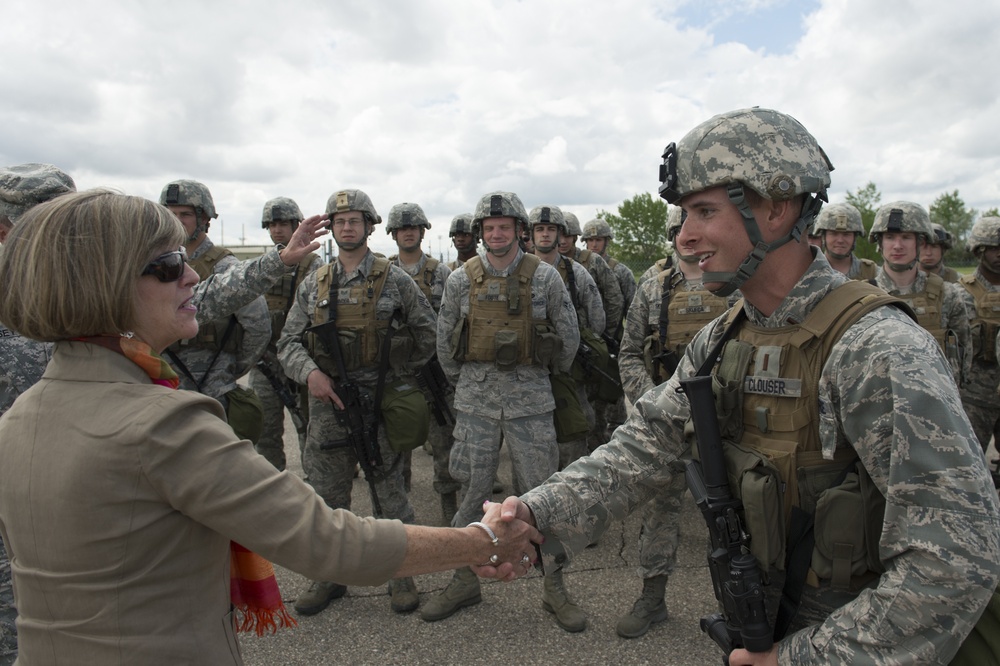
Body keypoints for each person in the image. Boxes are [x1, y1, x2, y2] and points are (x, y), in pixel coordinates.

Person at [482, 107, 1000, 665]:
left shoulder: (876, 348)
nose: (685, 237)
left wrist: (797, 660)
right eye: (684, 215)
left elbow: (954, 561)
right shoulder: (725, 337)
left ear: (777, 208)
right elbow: (647, 445)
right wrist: (534, 514)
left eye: (705, 211)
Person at [0, 189, 541, 666]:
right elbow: (326, 539)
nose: (191, 275)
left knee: (388, 489)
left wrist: (392, 381)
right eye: (167, 265)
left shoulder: (22, 415)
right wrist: (483, 541)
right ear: (104, 287)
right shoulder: (164, 424)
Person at [422, 192, 582, 631]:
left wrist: (533, 377)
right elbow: (445, 344)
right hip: (475, 404)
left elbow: (568, 340)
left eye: (504, 227)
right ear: (480, 233)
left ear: (518, 231)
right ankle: (462, 582)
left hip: (531, 404)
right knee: (472, 495)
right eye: (489, 227)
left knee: (543, 497)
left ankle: (555, 589)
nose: (496, 233)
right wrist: (474, 383)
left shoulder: (546, 277)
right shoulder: (461, 279)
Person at [278, 189, 438, 616]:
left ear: (369, 226)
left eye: (355, 221)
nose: (348, 228)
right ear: (332, 227)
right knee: (328, 498)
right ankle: (328, 576)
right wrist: (310, 373)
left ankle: (402, 574)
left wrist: (397, 379)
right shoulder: (315, 281)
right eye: (340, 221)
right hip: (330, 406)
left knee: (391, 496)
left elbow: (428, 334)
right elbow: (288, 342)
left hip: (379, 404)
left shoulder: (394, 279)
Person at [614, 203, 738, 639]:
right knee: (660, 512)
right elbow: (628, 351)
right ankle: (653, 594)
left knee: (738, 517)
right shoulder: (653, 287)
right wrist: (649, 398)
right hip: (671, 419)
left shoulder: (735, 284)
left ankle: (743, 604)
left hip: (727, 422)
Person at [159, 180, 271, 442]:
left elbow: (258, 326)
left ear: (204, 218)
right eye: (170, 214)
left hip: (212, 386)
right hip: (164, 386)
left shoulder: (226, 267)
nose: (177, 221)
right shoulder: (155, 264)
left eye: (185, 214)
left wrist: (231, 368)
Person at [385, 202, 460, 525]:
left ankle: (449, 503)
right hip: (396, 373)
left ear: (423, 232)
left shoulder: (440, 272)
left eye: (414, 227)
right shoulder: (383, 272)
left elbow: (453, 320)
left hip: (434, 371)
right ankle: (398, 510)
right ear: (393, 234)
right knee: (395, 444)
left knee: (445, 441)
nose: (408, 232)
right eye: (402, 228)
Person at [249, 196, 323, 470]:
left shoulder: (313, 265)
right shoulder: (264, 266)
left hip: (299, 359)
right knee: (264, 431)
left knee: (308, 428)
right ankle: (271, 485)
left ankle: (312, 486)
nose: (277, 230)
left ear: (295, 225)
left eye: (283, 224)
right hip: (265, 361)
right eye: (272, 224)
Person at [529, 204, 605, 470]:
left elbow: (597, 317)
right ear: (530, 234)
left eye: (551, 229)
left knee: (575, 427)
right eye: (540, 229)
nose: (546, 235)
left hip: (568, 366)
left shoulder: (576, 272)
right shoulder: (519, 271)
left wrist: (580, 345)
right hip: (530, 366)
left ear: (561, 233)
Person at [869, 201, 971, 385]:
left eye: (906, 237)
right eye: (890, 237)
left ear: (920, 242)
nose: (898, 245)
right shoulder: (863, 296)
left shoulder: (948, 295)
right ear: (880, 242)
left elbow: (963, 354)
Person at [959, 215, 1000, 452]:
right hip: (976, 397)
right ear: (979, 251)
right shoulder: (962, 293)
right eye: (993, 248)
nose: (999, 254)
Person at [582, 217, 637, 314]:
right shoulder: (579, 269)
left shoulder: (621, 271)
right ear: (586, 242)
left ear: (606, 241)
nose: (594, 245)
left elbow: (632, 309)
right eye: (590, 240)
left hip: (613, 326)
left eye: (598, 240)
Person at [812, 202, 877, 280]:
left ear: (854, 237)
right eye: (833, 233)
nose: (840, 240)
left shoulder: (871, 272)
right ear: (823, 236)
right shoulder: (809, 270)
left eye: (846, 234)